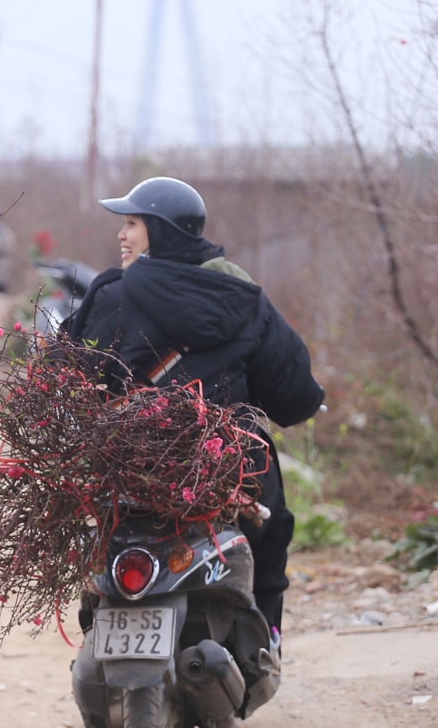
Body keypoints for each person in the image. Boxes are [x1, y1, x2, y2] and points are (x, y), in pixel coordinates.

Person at [61, 176, 324, 646]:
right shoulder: (240, 297)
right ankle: (265, 637)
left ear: (160, 232)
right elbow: (291, 388)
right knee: (273, 527)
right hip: (228, 463)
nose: (122, 235)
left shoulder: (112, 298)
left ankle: (96, 622)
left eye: (132, 224)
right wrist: (306, 401)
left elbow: (69, 377)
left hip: (129, 461)